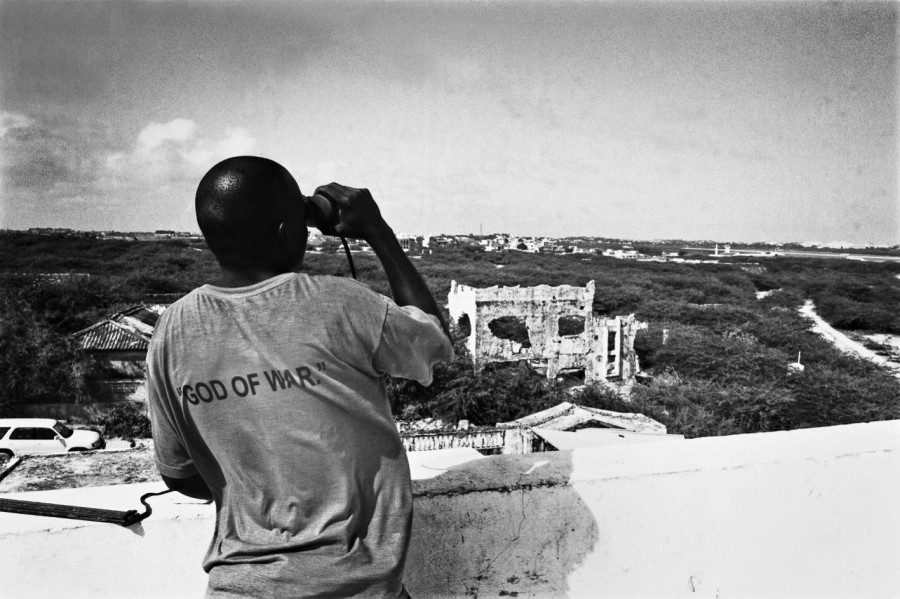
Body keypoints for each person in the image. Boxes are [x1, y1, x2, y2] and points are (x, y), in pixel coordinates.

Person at [146, 155, 453, 598]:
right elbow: (433, 342)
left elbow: (178, 475)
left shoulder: (171, 332)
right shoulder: (341, 304)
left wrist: (262, 494)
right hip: (355, 588)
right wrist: (377, 231)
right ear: (290, 233)